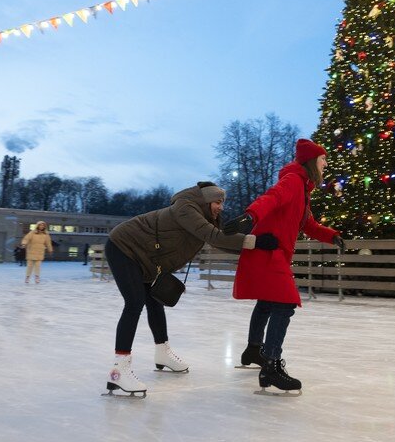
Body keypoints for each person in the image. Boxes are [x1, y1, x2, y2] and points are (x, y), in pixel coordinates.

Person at [103, 181, 278, 398]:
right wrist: (255, 241)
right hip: (124, 247)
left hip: (146, 257)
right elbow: (214, 236)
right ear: (206, 200)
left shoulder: (204, 217)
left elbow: (220, 242)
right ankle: (118, 371)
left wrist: (256, 245)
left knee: (154, 303)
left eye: (222, 203)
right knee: (134, 303)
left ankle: (162, 353)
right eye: (217, 202)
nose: (220, 207)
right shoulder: (186, 208)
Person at [225, 139, 344, 395]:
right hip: (268, 253)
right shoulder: (292, 181)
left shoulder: (303, 189)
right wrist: (251, 216)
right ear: (312, 161)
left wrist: (331, 235)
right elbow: (271, 198)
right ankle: (271, 366)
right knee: (286, 303)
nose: (326, 165)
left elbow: (307, 224)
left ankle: (255, 349)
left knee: (268, 302)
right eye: (323, 160)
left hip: (274, 254)